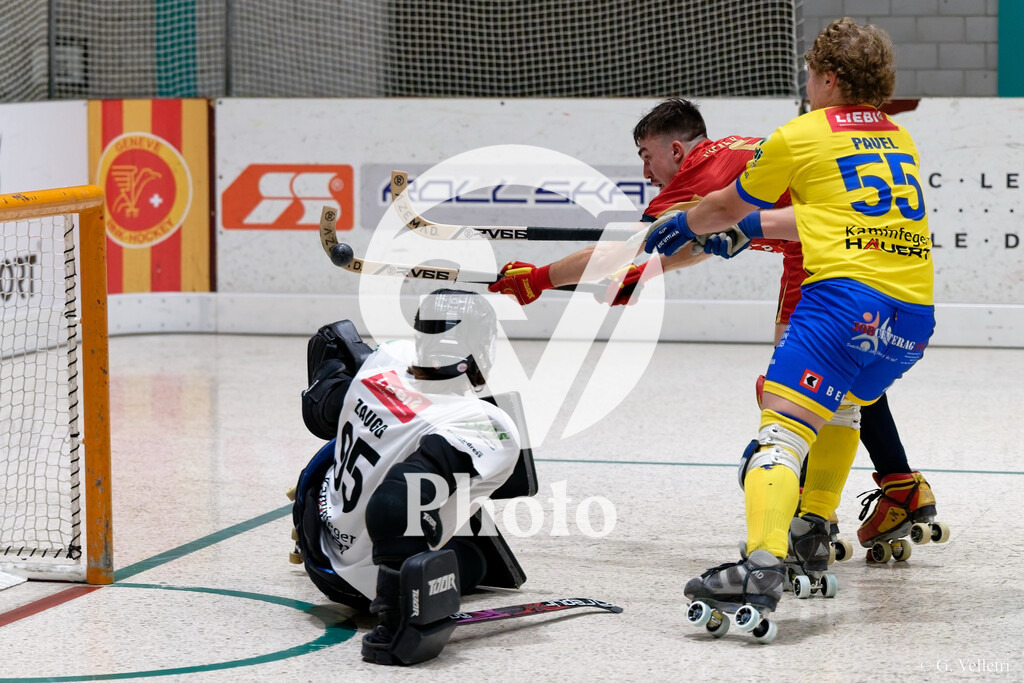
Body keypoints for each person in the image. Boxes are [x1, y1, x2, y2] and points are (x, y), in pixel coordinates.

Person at [489, 97, 944, 564]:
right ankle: (893, 488)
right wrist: (651, 272)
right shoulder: (725, 154)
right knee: (839, 379)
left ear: (678, 152)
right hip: (843, 252)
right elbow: (708, 238)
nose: (647, 172)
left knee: (797, 391)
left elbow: (618, 252)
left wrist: (537, 279)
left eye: (648, 157)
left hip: (824, 255)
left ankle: (808, 513)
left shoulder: (693, 181)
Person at [643, 17, 935, 633]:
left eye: (809, 74)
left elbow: (725, 204)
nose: (806, 84)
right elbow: (821, 216)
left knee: (780, 434)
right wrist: (748, 231)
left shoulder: (802, 134)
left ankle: (760, 565)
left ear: (829, 78)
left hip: (841, 305)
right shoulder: (897, 137)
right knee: (846, 411)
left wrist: (692, 223)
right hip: (911, 317)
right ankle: (811, 532)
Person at [291, 289, 531, 665]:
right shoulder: (488, 427)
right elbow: (393, 505)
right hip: (364, 586)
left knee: (412, 462)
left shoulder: (387, 356)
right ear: (483, 349)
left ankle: (335, 520)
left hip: (316, 534)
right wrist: (399, 624)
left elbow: (325, 405)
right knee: (473, 558)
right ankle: (397, 600)